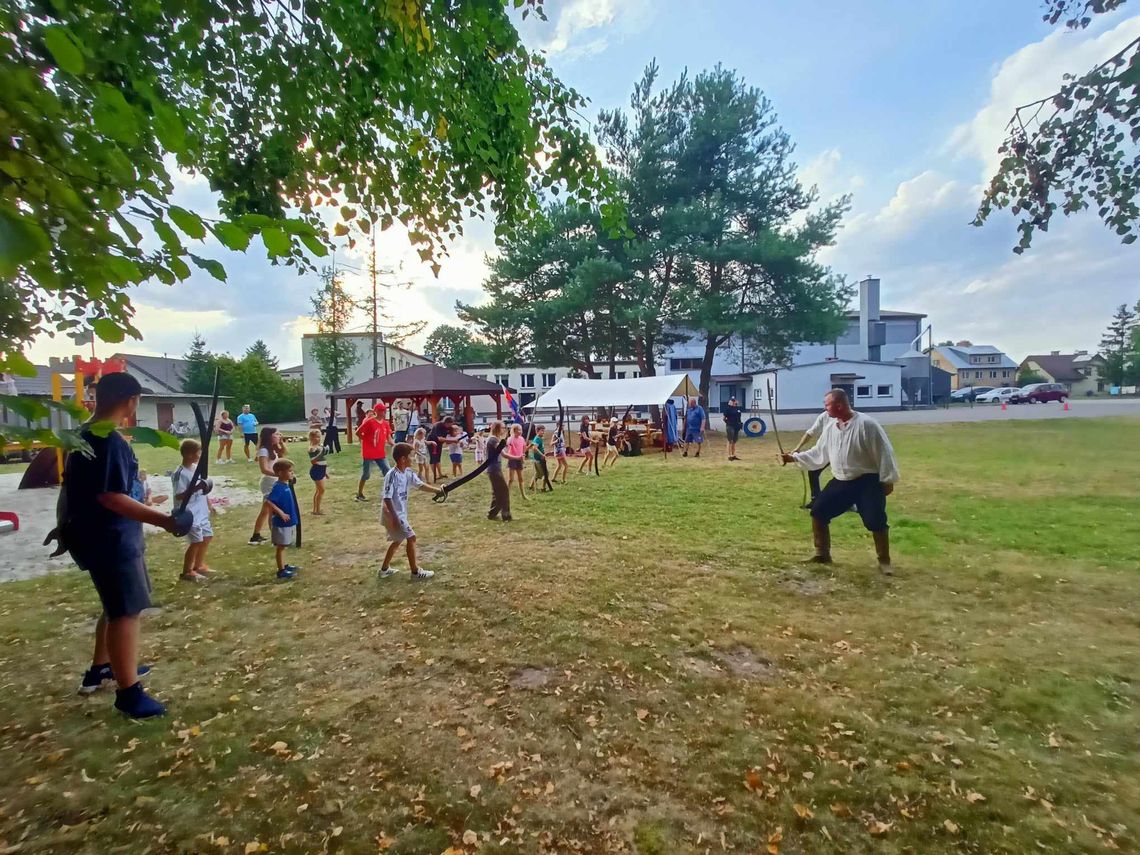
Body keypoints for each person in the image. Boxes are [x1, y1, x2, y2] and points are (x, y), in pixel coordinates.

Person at [64, 372, 178, 718]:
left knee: (113, 605)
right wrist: (165, 520)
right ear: (132, 401)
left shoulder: (84, 433)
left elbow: (75, 489)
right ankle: (129, 693)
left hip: (94, 534)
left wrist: (64, 525)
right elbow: (111, 496)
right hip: (110, 538)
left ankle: (103, 668)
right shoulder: (108, 441)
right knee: (126, 611)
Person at [781, 388, 900, 575]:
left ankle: (884, 561)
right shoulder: (831, 428)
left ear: (839, 405)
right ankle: (822, 554)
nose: (824, 408)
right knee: (819, 511)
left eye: (827, 404)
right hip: (841, 481)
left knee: (874, 520)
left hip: (867, 481)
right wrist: (793, 458)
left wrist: (888, 480)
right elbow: (819, 452)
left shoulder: (867, 425)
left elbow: (884, 453)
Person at [378, 442, 444, 580]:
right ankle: (415, 573)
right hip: (392, 513)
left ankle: (384, 570)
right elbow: (387, 498)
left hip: (400, 513)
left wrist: (438, 490)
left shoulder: (407, 473)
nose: (413, 459)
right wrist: (395, 518)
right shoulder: (392, 475)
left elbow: (420, 485)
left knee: (398, 540)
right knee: (411, 538)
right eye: (411, 456)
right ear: (403, 459)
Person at [172, 439, 214, 582]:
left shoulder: (196, 468)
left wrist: (209, 504)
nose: (200, 454)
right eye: (198, 452)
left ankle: (198, 565)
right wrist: (197, 487)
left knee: (207, 536)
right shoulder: (180, 473)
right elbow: (179, 495)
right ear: (189, 454)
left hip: (200, 509)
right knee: (196, 541)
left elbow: (203, 489)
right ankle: (187, 571)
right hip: (189, 512)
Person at [263, 459, 300, 580]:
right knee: (281, 546)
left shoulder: (285, 484)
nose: (292, 473)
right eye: (289, 471)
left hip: (288, 521)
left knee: (285, 545)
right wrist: (281, 513)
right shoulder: (278, 487)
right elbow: (269, 501)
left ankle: (284, 566)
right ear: (280, 473)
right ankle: (281, 571)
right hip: (281, 522)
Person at [792, 408, 835, 507]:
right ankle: (815, 499)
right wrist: (798, 448)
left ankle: (851, 503)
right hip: (826, 452)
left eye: (829, 404)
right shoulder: (825, 415)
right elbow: (811, 432)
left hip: (842, 452)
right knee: (813, 471)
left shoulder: (846, 418)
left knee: (843, 476)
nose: (826, 407)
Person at [248, 426, 281, 545]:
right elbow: (264, 469)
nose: (279, 436)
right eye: (277, 434)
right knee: (271, 510)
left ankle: (256, 535)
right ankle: (275, 538)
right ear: (269, 436)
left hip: (274, 481)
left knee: (266, 511)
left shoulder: (272, 449)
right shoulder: (263, 450)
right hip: (268, 482)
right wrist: (280, 475)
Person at [355, 404, 392, 501]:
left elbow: (389, 437)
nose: (382, 413)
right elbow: (358, 432)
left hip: (380, 452)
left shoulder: (385, 424)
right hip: (369, 452)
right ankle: (359, 494)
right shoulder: (369, 422)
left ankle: (388, 493)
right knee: (366, 474)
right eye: (380, 410)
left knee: (388, 471)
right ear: (376, 411)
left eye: (384, 411)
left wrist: (395, 445)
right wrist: (366, 440)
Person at [485, 420, 511, 522]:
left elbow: (502, 451)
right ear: (497, 428)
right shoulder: (493, 440)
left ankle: (492, 514)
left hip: (495, 469)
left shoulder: (495, 439)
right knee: (504, 492)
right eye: (502, 428)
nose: (504, 429)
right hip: (494, 469)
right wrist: (517, 457)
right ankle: (506, 515)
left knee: (497, 493)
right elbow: (502, 452)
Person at [504, 422, 529, 501]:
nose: (520, 431)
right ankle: (506, 495)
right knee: (511, 479)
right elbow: (507, 446)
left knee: (520, 478)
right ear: (514, 430)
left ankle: (523, 495)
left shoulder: (522, 439)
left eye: (521, 430)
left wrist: (529, 447)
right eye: (519, 430)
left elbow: (524, 449)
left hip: (519, 460)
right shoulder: (510, 439)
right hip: (512, 459)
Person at [426, 415, 454, 483]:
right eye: (449, 424)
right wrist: (453, 440)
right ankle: (435, 475)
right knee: (433, 458)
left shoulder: (449, 428)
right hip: (432, 442)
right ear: (446, 422)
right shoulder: (438, 425)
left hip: (439, 443)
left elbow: (450, 437)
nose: (450, 426)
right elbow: (440, 438)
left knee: (438, 458)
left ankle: (440, 474)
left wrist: (454, 439)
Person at [308, 429, 329, 515]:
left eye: (319, 437)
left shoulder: (320, 446)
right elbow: (313, 461)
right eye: (316, 437)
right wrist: (322, 452)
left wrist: (325, 473)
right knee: (321, 490)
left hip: (322, 470)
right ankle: (317, 510)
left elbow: (323, 459)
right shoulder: (312, 448)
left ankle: (315, 509)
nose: (318, 439)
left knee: (318, 491)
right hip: (316, 470)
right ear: (311, 438)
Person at [527, 424, 553, 492]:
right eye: (542, 431)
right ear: (537, 431)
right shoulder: (537, 438)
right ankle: (543, 488)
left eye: (544, 431)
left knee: (537, 474)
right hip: (538, 460)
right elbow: (534, 448)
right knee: (546, 473)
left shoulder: (539, 438)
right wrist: (542, 455)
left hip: (537, 459)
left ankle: (531, 486)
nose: (543, 432)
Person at [723, 396, 743, 461]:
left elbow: (739, 417)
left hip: (736, 426)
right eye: (732, 401)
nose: (734, 402)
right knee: (730, 440)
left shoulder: (738, 409)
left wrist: (740, 424)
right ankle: (729, 455)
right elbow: (724, 418)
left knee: (734, 441)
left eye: (734, 400)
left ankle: (733, 455)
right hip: (730, 426)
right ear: (730, 402)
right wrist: (728, 422)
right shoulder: (728, 409)